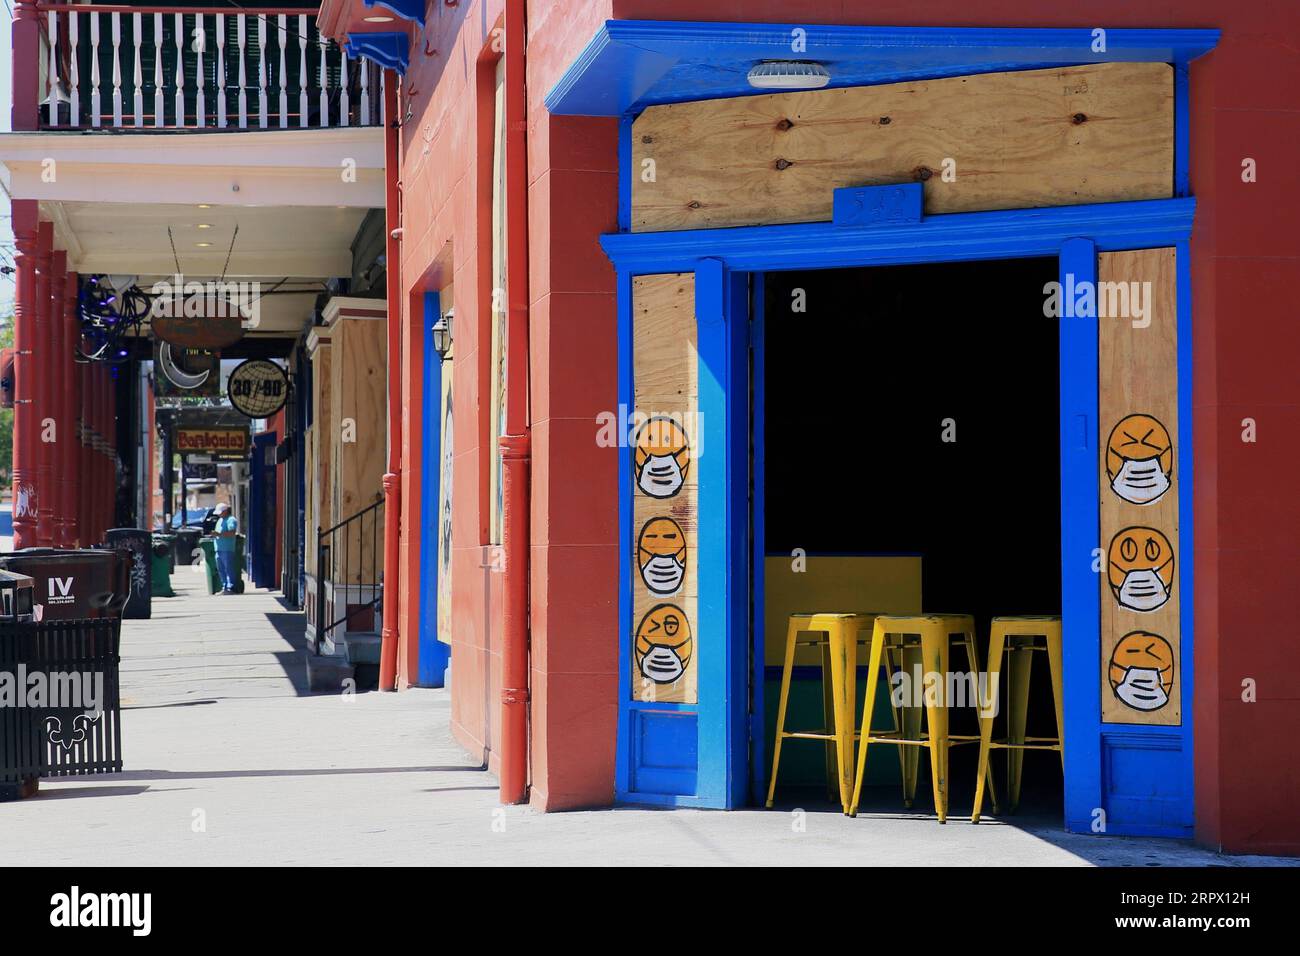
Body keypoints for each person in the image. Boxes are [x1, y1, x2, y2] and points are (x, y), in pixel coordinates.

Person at [213, 502, 240, 594]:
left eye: (220, 512)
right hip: (219, 549)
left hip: (227, 549)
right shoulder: (220, 520)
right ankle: (224, 587)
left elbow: (232, 532)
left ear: (225, 511)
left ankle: (231, 587)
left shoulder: (231, 520)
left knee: (229, 568)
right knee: (221, 569)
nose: (219, 514)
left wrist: (219, 534)